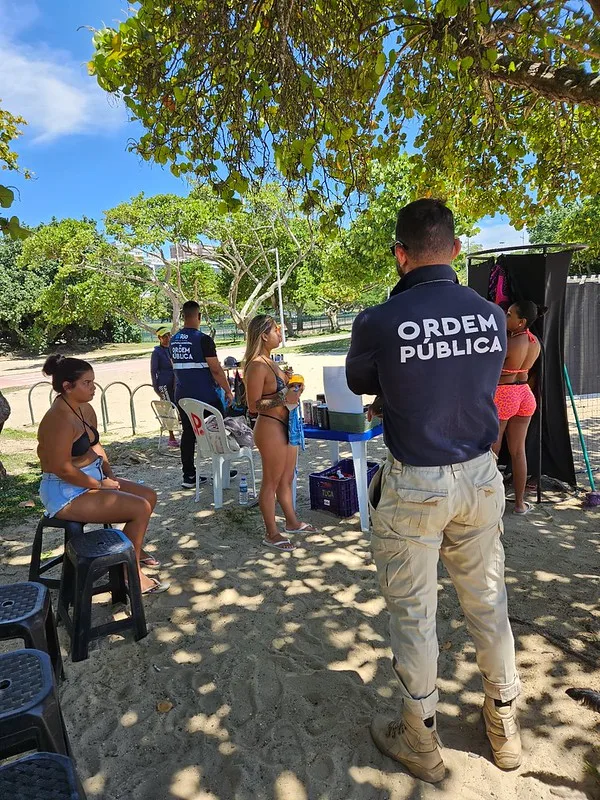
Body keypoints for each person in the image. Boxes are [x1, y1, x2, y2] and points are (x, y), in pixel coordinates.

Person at [346, 199, 521, 782]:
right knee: (488, 602)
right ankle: (504, 721)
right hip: (478, 475)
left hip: (415, 480)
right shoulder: (492, 315)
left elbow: (362, 379)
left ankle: (421, 737)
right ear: (455, 250)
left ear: (400, 256)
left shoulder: (378, 320)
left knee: (415, 615)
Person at [37, 355, 169, 595]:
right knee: (139, 508)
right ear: (67, 386)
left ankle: (132, 552)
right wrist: (99, 485)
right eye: (87, 383)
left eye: (93, 382)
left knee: (148, 496)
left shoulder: (84, 409)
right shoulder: (58, 420)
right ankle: (130, 573)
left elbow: (95, 446)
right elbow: (62, 468)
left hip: (90, 477)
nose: (93, 388)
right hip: (64, 489)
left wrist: (109, 475)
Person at [244, 314, 317, 551]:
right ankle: (271, 532)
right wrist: (283, 396)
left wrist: (292, 385)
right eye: (276, 329)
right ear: (264, 335)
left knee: (286, 479)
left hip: (287, 426)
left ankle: (292, 522)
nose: (280, 332)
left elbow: (282, 394)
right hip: (270, 427)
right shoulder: (256, 364)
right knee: (271, 482)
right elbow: (253, 405)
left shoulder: (270, 361)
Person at [170, 301, 235, 489]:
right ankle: (221, 469)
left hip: (183, 397)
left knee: (189, 434)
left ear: (183, 317)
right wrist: (228, 390)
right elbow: (215, 369)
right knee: (218, 430)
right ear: (198, 317)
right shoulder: (203, 339)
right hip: (206, 397)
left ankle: (188, 475)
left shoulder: (173, 340)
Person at [493, 300, 543, 515]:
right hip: (524, 394)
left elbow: (492, 370)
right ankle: (520, 504)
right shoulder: (535, 342)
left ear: (521, 322)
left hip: (504, 394)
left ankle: (492, 503)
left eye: (510, 314)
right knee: (518, 450)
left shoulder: (508, 342)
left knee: (492, 451)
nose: (506, 317)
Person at [150, 325, 179, 447]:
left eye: (169, 335)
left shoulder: (172, 349)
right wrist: (156, 387)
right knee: (168, 409)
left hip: (176, 382)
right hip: (164, 383)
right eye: (164, 336)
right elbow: (153, 370)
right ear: (159, 338)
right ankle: (171, 436)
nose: (167, 338)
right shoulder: (157, 352)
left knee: (179, 405)